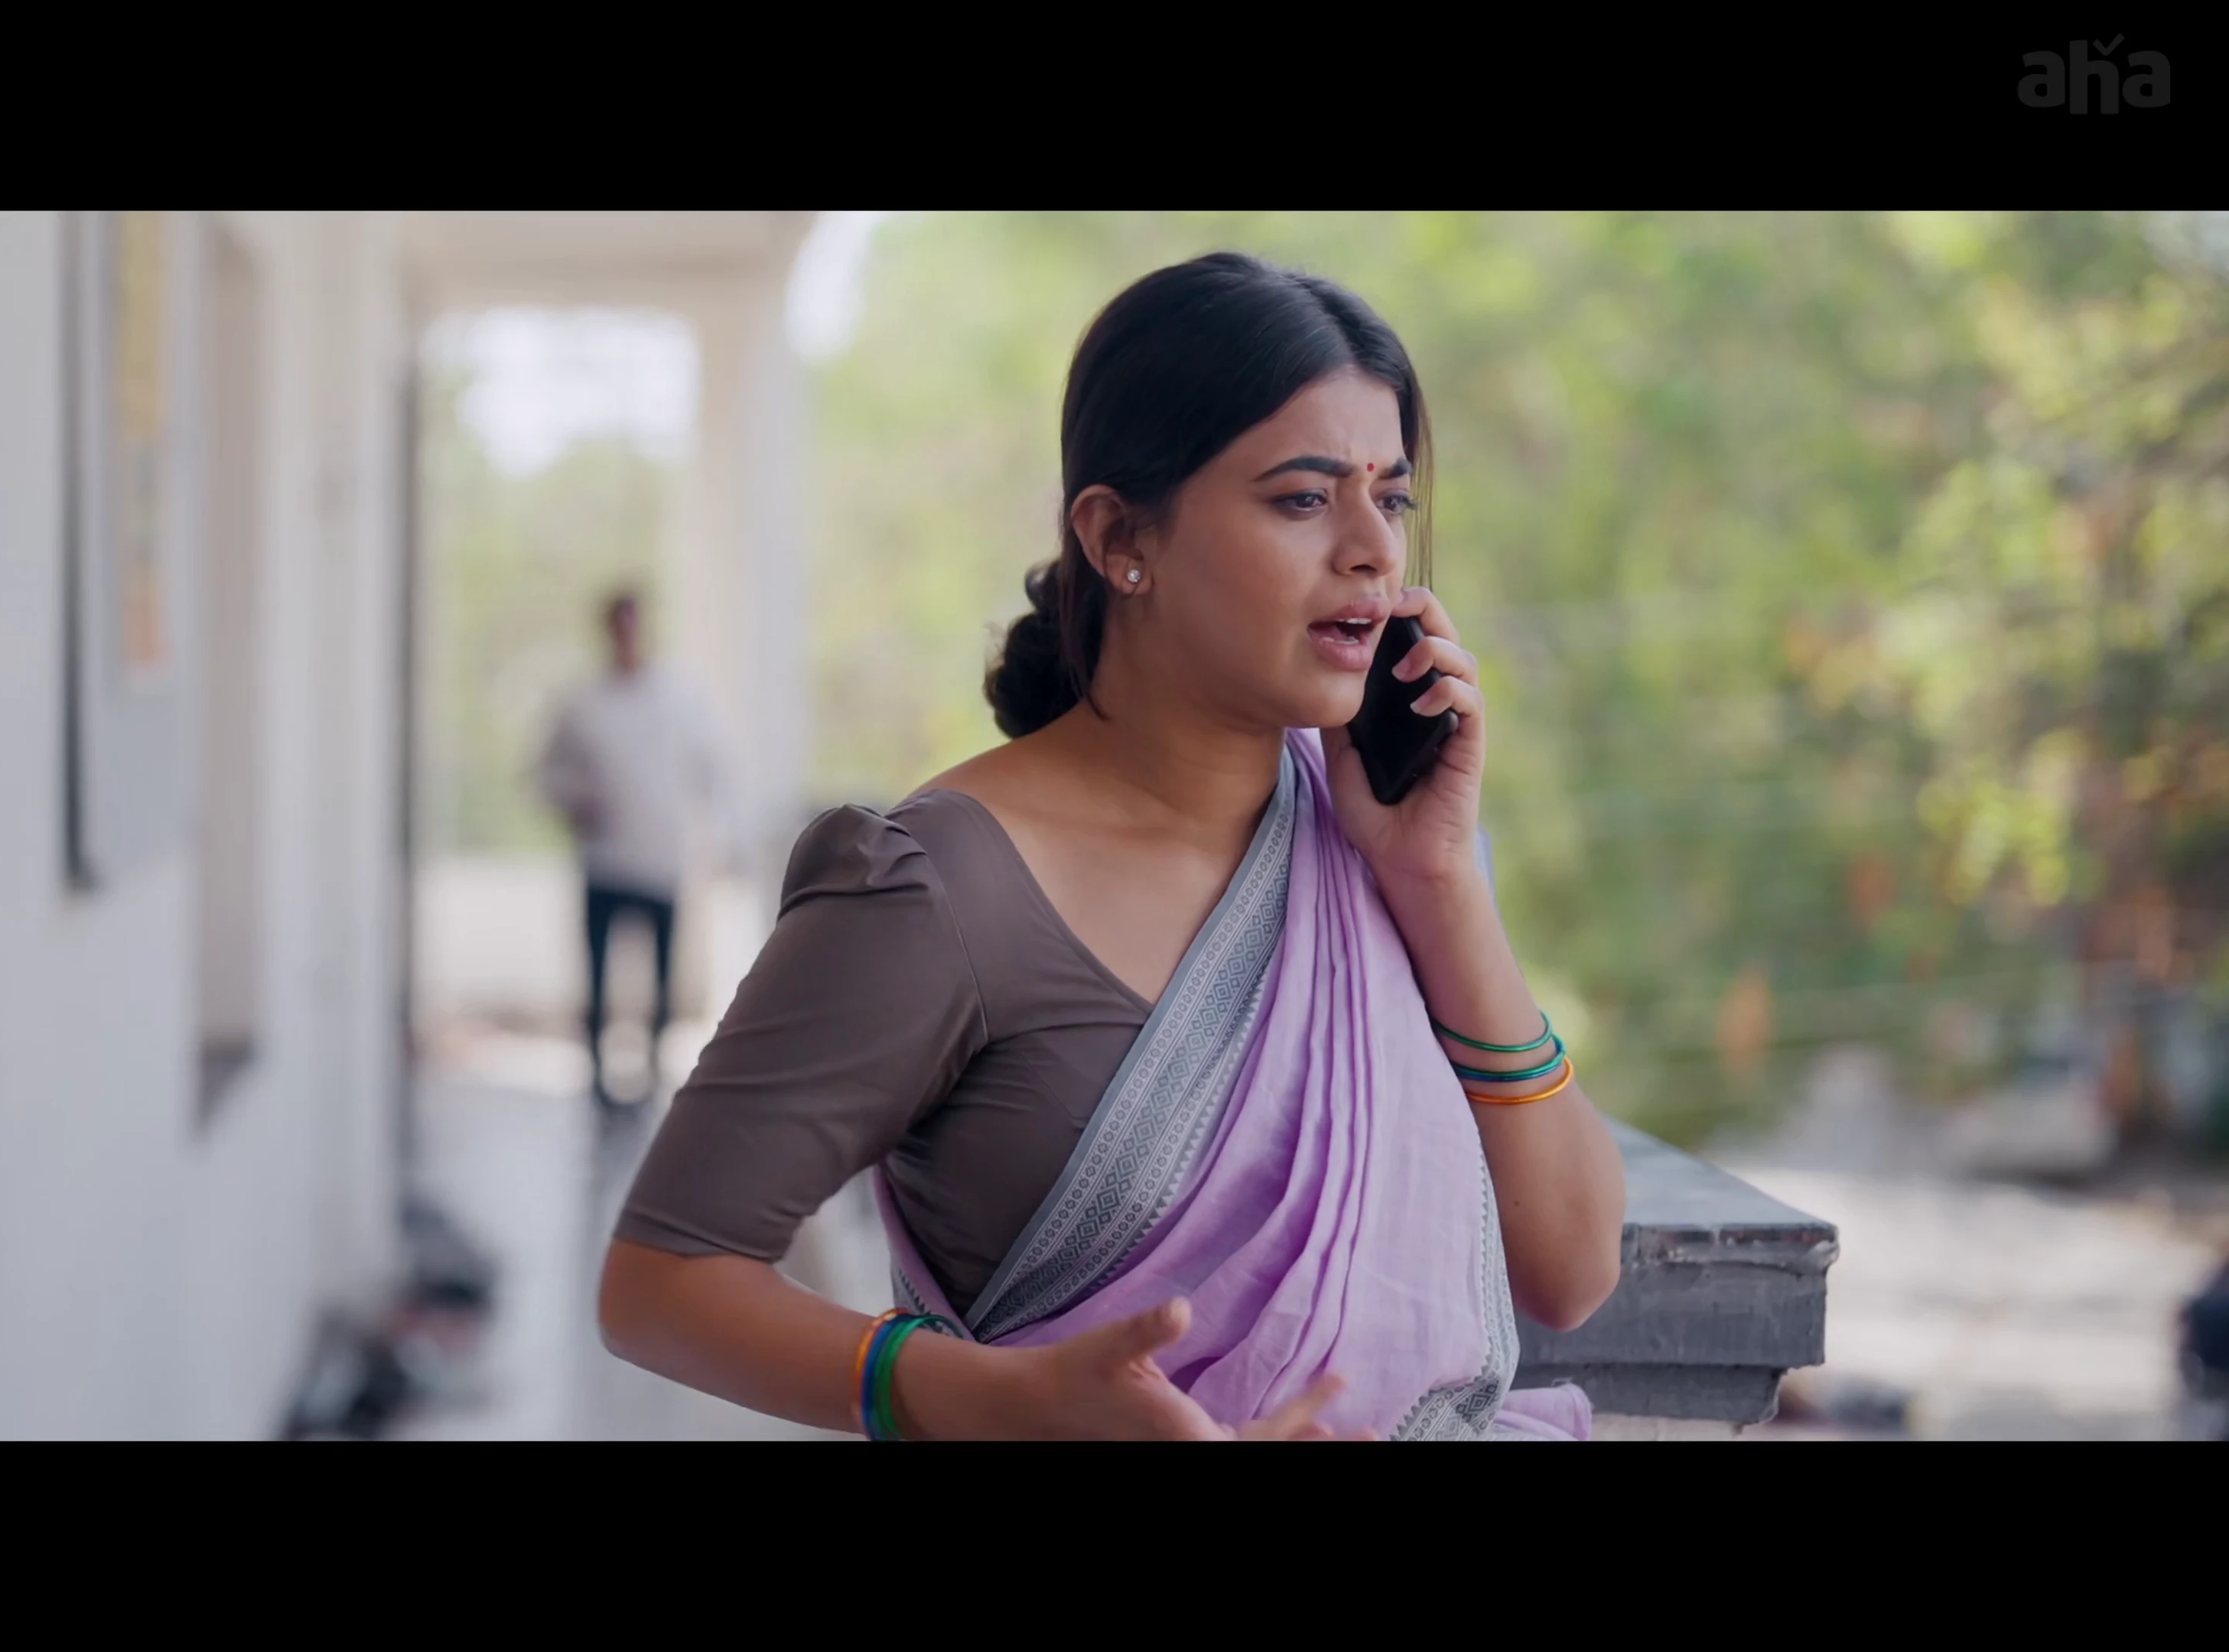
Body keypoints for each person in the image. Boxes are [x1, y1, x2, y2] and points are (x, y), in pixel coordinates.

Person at [595, 253, 1629, 1441]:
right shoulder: (941, 889)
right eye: (1303, 499)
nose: (1372, 551)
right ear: (1120, 535)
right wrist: (1007, 1398)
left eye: (1390, 500)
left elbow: (1573, 1269)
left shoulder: (1382, 847)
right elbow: (658, 1285)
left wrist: (1436, 878)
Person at [535, 590, 726, 1109]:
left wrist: (718, 842)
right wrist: (577, 802)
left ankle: (652, 1073)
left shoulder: (682, 699)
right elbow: (546, 774)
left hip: (661, 860)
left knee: (661, 977)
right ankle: (598, 1079)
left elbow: (715, 771)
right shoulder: (583, 703)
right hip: (604, 861)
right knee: (598, 976)